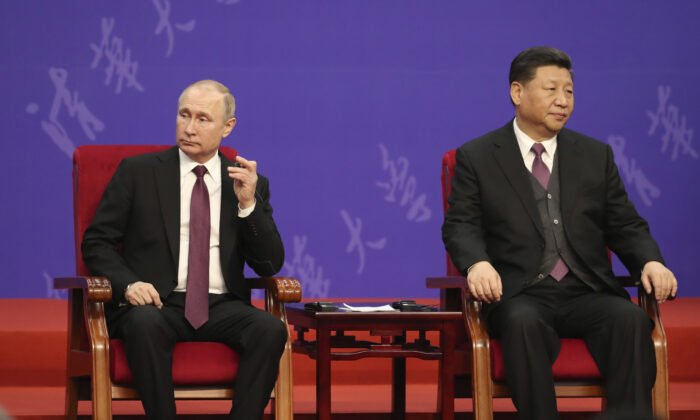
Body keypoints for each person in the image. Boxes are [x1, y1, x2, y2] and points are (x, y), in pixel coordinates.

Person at [442, 47, 677, 420]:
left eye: (569, 91)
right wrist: (477, 263)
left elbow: (625, 223)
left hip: (587, 290)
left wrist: (650, 260)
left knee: (630, 321)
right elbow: (462, 225)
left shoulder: (594, 155)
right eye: (551, 89)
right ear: (517, 93)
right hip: (520, 292)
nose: (562, 101)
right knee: (522, 323)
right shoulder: (479, 156)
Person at [82, 79, 287, 419]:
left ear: (227, 127)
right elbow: (96, 242)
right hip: (156, 303)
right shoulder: (138, 172)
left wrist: (248, 204)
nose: (190, 128)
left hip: (222, 305)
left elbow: (268, 264)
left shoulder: (246, 182)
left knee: (270, 328)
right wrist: (129, 285)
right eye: (184, 115)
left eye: (203, 119)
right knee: (145, 324)